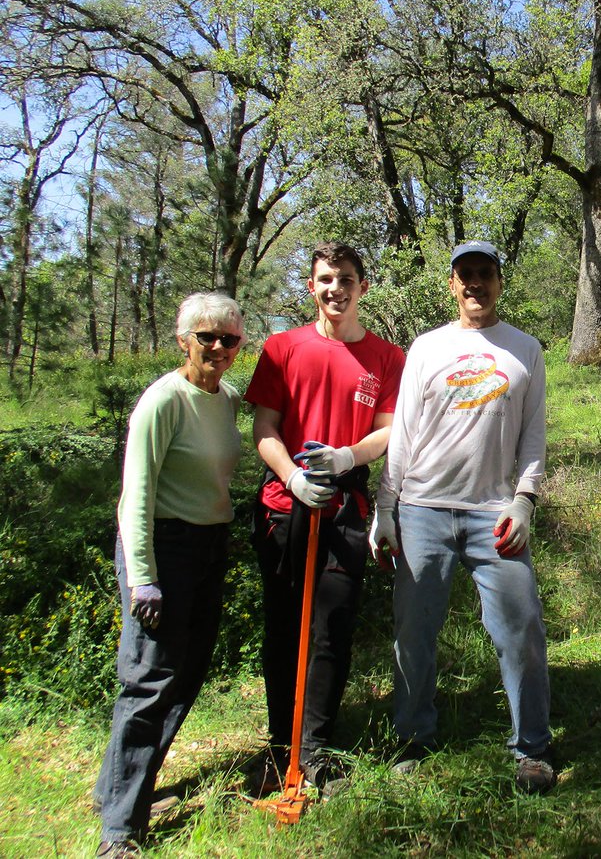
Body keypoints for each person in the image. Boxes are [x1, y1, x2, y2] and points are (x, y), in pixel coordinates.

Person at [369, 240, 556, 794]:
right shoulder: (426, 348)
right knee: (414, 630)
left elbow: (534, 436)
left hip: (495, 514)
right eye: (465, 274)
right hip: (422, 509)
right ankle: (412, 737)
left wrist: (524, 501)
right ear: (452, 284)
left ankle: (532, 749)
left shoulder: (525, 349)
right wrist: (386, 508)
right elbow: (402, 433)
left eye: (486, 273)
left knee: (521, 628)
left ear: (500, 282)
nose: (475, 283)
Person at [245, 242, 405, 794]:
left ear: (363, 286)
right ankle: (278, 745)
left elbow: (388, 430)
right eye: (325, 278)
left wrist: (347, 457)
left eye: (346, 278)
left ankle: (316, 748)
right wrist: (291, 476)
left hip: (346, 507)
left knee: (331, 628)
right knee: (285, 626)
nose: (335, 288)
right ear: (311, 286)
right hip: (284, 507)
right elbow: (263, 428)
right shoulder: (282, 348)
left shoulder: (387, 357)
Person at [94, 294, 245, 858]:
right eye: (207, 337)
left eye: (229, 339)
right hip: (163, 546)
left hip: (209, 544)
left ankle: (116, 789)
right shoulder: (163, 401)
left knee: (188, 671)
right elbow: (135, 496)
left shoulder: (226, 399)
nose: (218, 348)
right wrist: (143, 578)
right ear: (184, 339)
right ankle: (121, 830)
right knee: (150, 677)